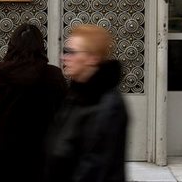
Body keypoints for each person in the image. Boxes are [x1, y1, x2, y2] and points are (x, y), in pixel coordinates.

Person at [0, 23, 66, 182]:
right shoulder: (53, 77)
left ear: (11, 45)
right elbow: (65, 121)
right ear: (41, 47)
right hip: (40, 165)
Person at [44, 24, 128, 182]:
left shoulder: (108, 105)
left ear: (92, 58)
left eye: (71, 52)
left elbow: (96, 167)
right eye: (64, 51)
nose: (64, 57)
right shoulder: (75, 94)